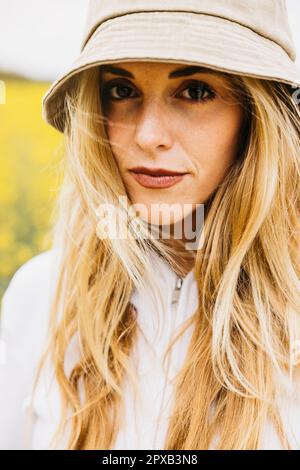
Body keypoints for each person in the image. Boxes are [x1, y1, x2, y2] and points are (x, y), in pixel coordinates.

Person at [1, 0, 300, 450]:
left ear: (257, 115)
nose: (147, 135)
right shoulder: (41, 295)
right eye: (121, 90)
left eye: (196, 91)